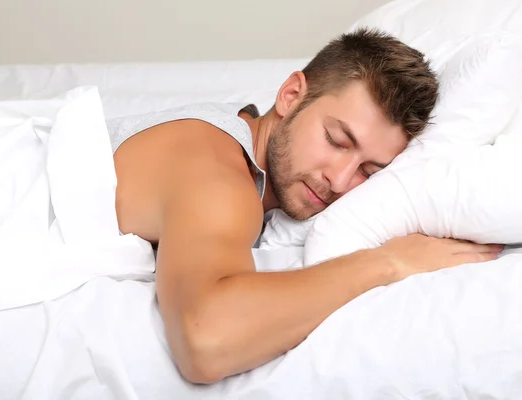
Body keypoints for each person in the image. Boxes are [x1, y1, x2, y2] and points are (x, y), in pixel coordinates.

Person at [106, 28, 503, 384]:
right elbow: (206, 340)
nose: (340, 180)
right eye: (336, 140)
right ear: (290, 95)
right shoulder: (219, 178)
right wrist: (388, 263)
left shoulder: (242, 135)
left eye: (368, 169)